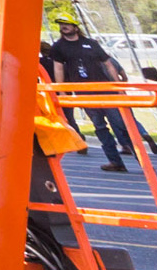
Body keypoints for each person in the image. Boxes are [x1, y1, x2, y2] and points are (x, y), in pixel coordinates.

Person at [41, 22, 135, 171]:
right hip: (83, 92)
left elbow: (108, 63)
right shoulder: (59, 47)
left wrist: (119, 86)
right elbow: (58, 68)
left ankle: (141, 159)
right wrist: (61, 90)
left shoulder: (90, 43)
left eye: (66, 24)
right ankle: (115, 161)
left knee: (121, 124)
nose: (63, 27)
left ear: (75, 27)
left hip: (105, 90)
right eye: (61, 25)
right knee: (100, 127)